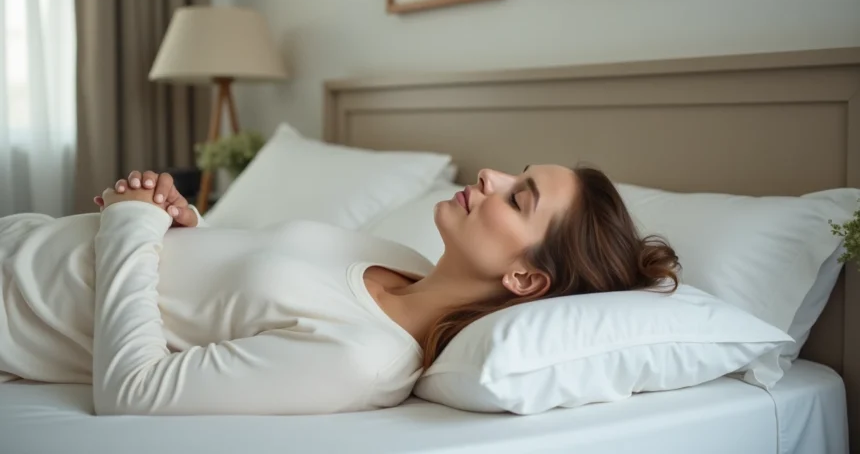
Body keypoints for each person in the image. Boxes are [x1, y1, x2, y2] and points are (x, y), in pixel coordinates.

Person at [0, 164, 679, 416]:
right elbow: (214, 294)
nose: (492, 173)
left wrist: (129, 222)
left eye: (519, 196)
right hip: (20, 241)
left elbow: (133, 391)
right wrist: (178, 218)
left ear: (526, 279)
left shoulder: (363, 358)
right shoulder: (397, 256)